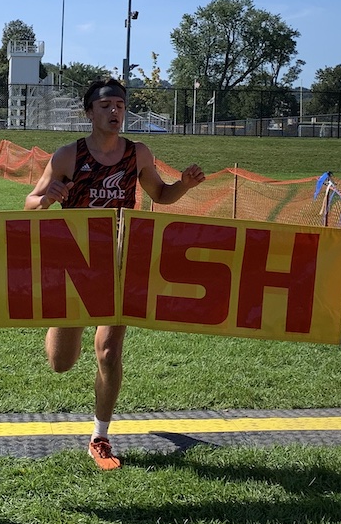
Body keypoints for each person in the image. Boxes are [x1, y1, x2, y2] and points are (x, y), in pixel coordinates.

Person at [25, 78, 206, 470]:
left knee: (108, 351)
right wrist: (46, 198)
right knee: (61, 363)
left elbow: (160, 195)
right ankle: (57, 325)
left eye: (120, 106)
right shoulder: (67, 156)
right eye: (106, 105)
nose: (114, 112)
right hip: (76, 264)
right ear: (89, 112)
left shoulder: (138, 153)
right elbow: (30, 203)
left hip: (121, 260)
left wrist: (184, 186)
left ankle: (100, 436)